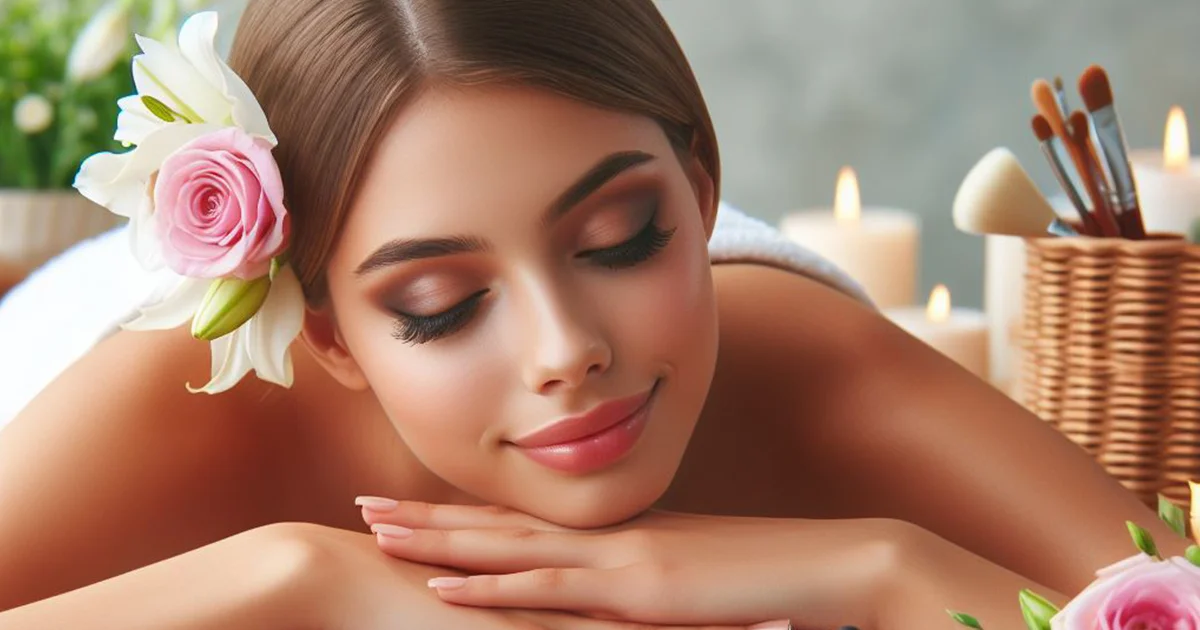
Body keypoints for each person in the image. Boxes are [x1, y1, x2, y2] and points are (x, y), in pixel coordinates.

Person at [0, 0, 1188, 628]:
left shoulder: (808, 368)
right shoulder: (181, 413)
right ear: (327, 334)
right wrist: (297, 581)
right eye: (438, 306)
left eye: (624, 240)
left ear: (704, 188)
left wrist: (875, 565)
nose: (570, 351)